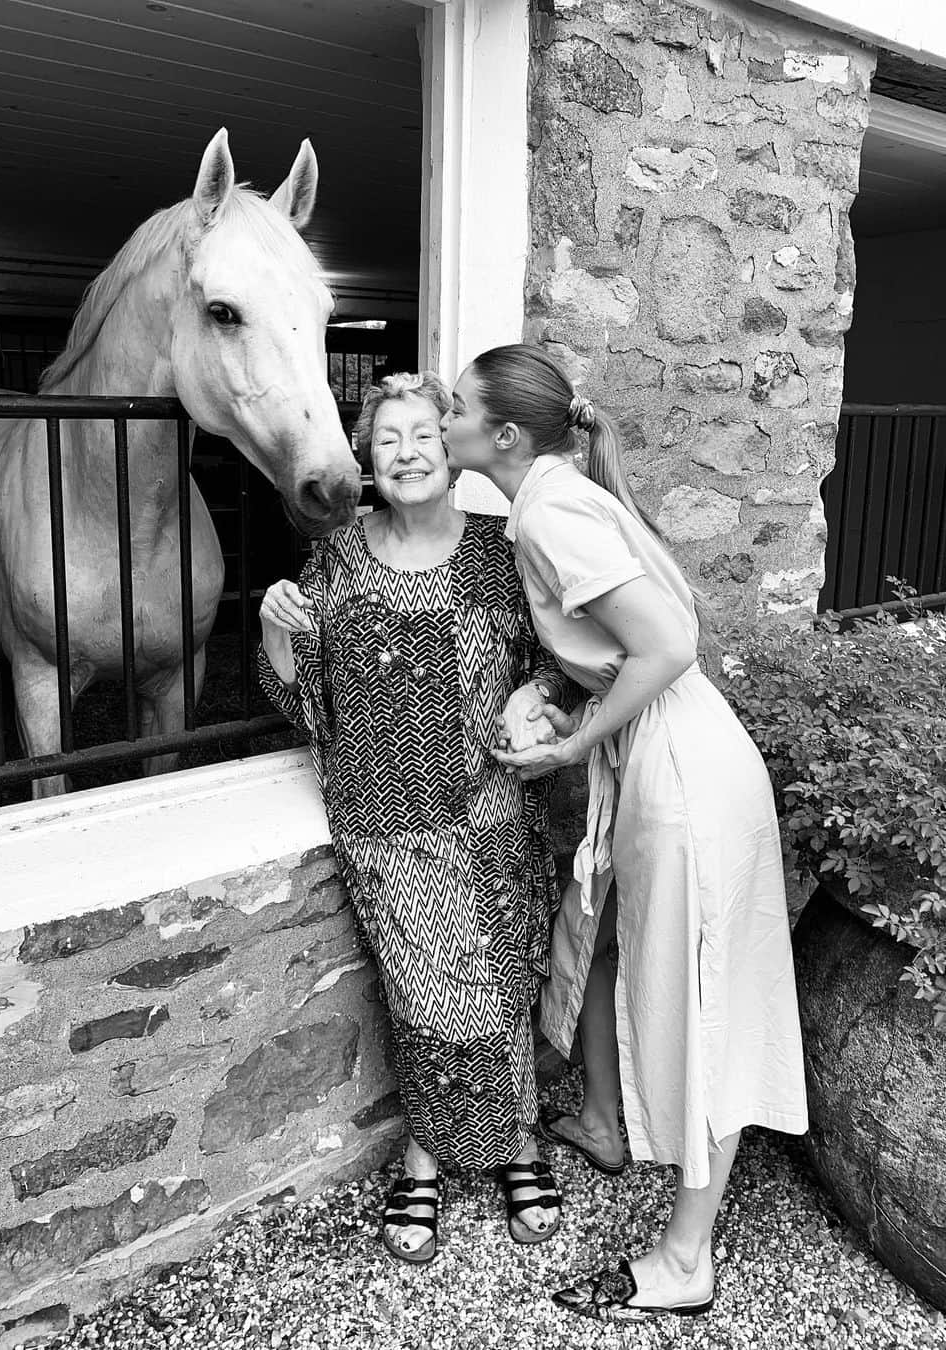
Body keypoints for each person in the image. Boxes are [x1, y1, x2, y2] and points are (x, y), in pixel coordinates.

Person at [442, 344, 808, 1321]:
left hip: (683, 767)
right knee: (599, 938)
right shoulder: (551, 499)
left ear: (503, 437)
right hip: (665, 751)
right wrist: (571, 705)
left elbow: (670, 645)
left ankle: (688, 1258)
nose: (441, 420)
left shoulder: (555, 510)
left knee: (699, 995)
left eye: (454, 407)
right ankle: (604, 1118)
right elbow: (623, 646)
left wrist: (574, 746)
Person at [258, 371, 571, 1264]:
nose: (406, 453)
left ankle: (510, 1144)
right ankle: (428, 1152)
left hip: (493, 816)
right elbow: (304, 700)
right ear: (366, 459)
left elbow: (562, 660)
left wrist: (535, 693)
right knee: (423, 1001)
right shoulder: (339, 561)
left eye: (423, 435)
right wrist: (279, 631)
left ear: (452, 451)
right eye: (387, 439)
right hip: (384, 830)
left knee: (503, 990)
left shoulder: (500, 550)